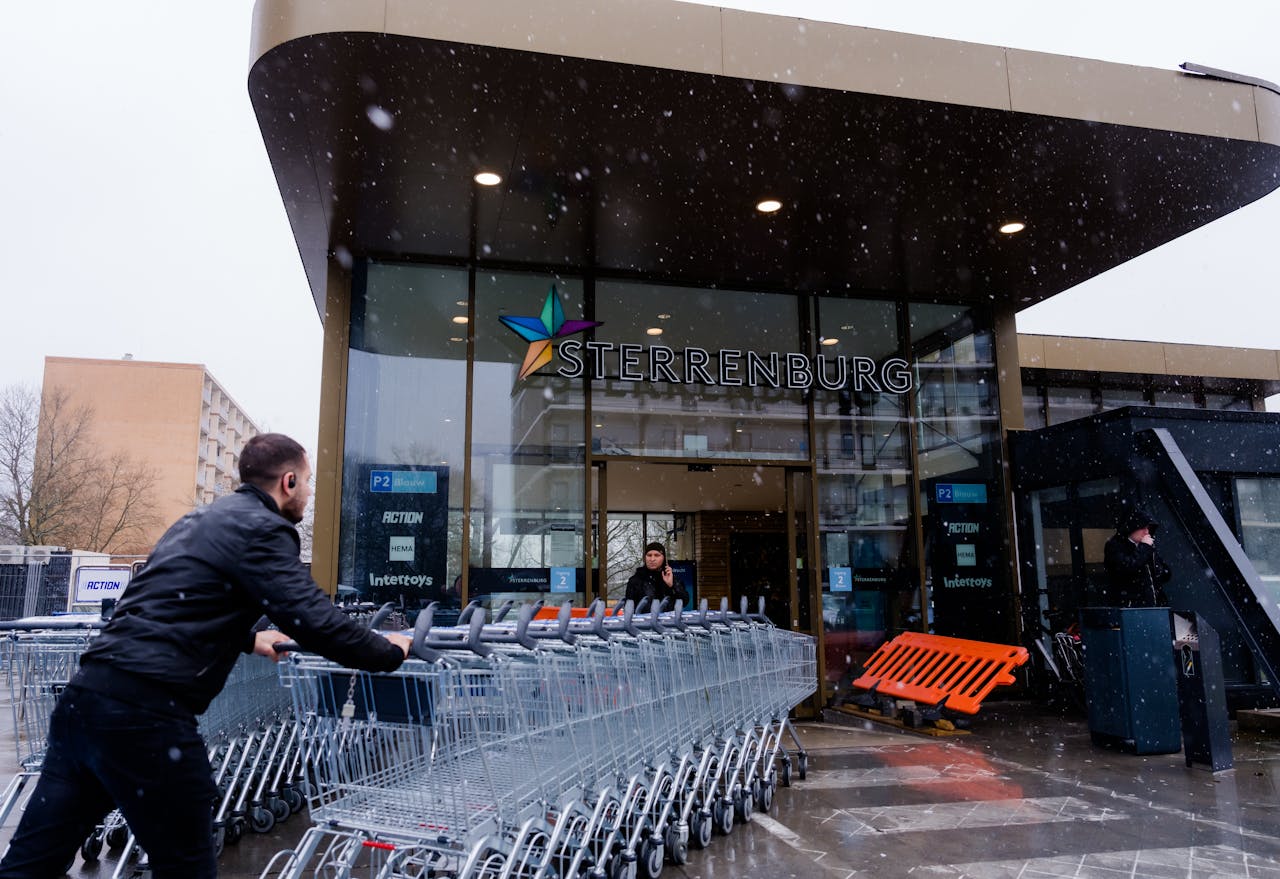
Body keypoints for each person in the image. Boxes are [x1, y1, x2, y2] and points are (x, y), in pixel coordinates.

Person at [0, 433, 413, 879]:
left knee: (31, 863)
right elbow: (313, 619)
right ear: (289, 482)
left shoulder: (198, 521)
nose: (309, 493)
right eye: (308, 481)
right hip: (144, 715)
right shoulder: (264, 528)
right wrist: (389, 650)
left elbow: (164, 604)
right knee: (187, 865)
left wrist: (247, 639)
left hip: (85, 701)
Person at [1102, 507, 1172, 608]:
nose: (1147, 532)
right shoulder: (1115, 546)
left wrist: (1159, 568)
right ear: (1133, 527)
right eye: (1143, 528)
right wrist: (1144, 548)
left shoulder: (1146, 546)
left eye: (1148, 528)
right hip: (1131, 608)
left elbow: (1164, 574)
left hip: (1155, 606)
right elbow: (1127, 567)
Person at [625, 542, 688, 610]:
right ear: (645, 558)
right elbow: (628, 608)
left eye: (657, 555)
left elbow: (684, 601)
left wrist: (672, 586)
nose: (652, 559)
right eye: (649, 555)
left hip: (669, 617)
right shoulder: (636, 580)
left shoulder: (670, 577)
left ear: (663, 558)